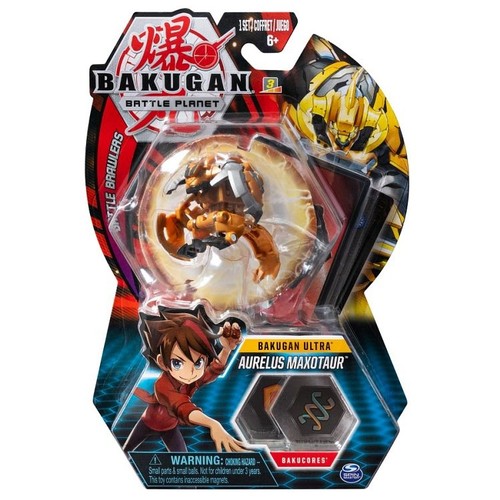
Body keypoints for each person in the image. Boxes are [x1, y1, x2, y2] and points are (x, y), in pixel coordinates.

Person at [123, 310, 245, 453]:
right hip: (147, 422)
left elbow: (212, 371)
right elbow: (182, 406)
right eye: (178, 363)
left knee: (182, 458)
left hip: (170, 427)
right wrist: (213, 424)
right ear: (162, 362)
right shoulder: (162, 385)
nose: (191, 372)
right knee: (125, 451)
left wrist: (226, 350)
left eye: (198, 363)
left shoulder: (191, 380)